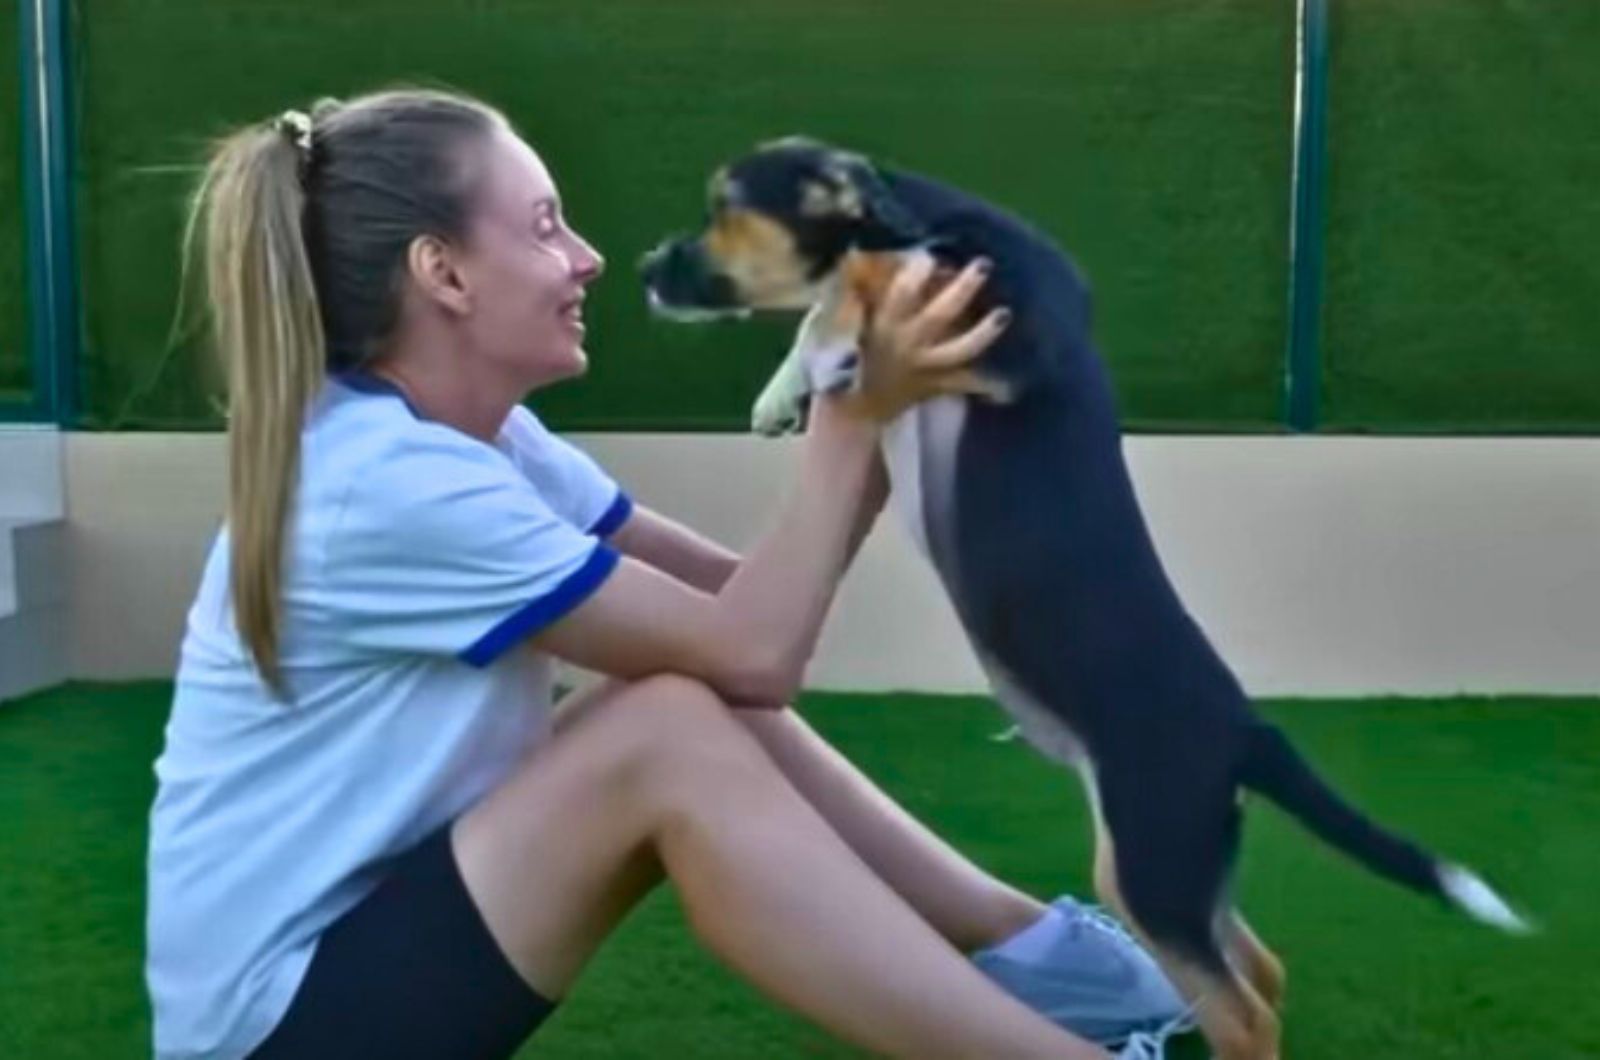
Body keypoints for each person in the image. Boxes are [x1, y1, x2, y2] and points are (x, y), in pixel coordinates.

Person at [145, 88, 1189, 1060]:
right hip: (274, 1029)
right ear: (443, 273)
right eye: (547, 225)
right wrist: (847, 410)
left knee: (674, 693)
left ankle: (1053, 963)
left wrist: (884, 414)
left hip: (369, 951)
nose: (588, 256)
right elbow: (757, 645)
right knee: (666, 734)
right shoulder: (386, 483)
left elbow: (735, 611)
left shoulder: (483, 441)